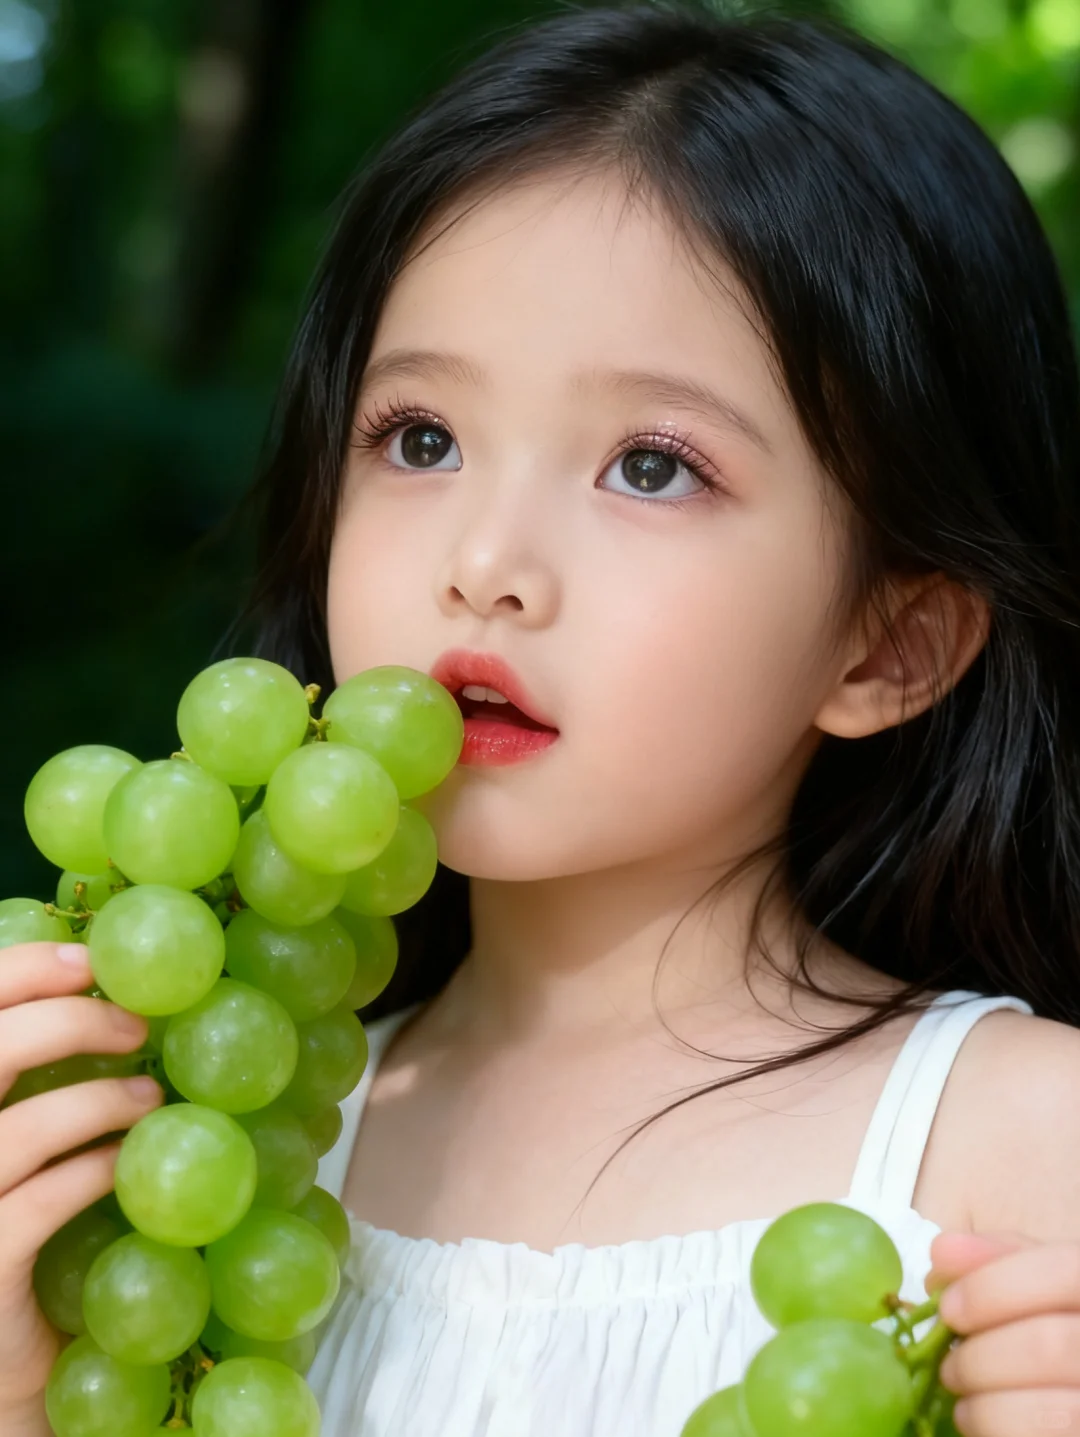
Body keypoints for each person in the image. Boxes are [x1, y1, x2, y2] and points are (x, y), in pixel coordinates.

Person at [3, 2, 1080, 1434]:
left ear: (891, 644)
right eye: (420, 440)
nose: (486, 565)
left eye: (651, 466)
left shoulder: (1022, 1155)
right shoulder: (197, 1163)